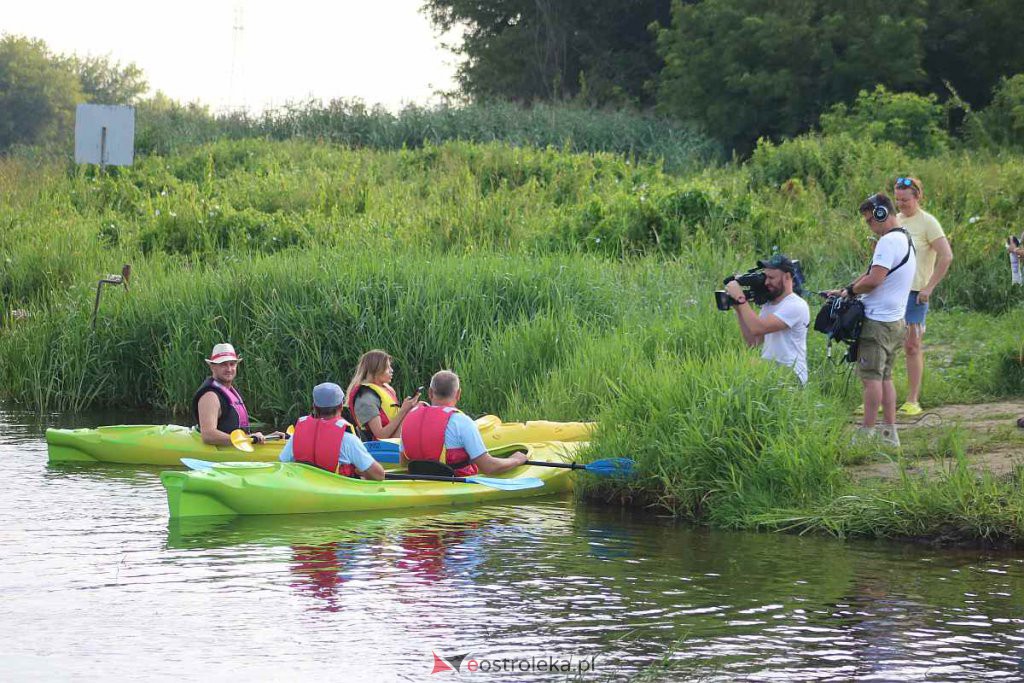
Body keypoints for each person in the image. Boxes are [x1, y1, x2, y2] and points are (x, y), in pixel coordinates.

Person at [828, 193, 916, 447]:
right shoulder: (905, 239)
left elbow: (875, 279)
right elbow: (872, 275)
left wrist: (852, 291)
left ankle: (866, 433)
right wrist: (848, 289)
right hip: (895, 323)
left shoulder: (887, 242)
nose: (869, 225)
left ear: (880, 214)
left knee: (870, 379)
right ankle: (890, 433)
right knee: (885, 377)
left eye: (869, 220)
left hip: (877, 324)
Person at [893, 176, 953, 416]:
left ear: (917, 196)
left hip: (916, 293)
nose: (901, 205)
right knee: (884, 343)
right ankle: (880, 396)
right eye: (897, 200)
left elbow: (946, 256)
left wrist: (929, 287)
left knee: (912, 345)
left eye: (905, 200)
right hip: (893, 291)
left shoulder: (928, 222)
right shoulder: (895, 220)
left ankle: (912, 399)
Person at [400, 370, 528, 476]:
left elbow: (404, 464)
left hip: (418, 483)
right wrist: (515, 460)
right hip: (452, 483)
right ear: (458, 394)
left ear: (430, 393)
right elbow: (489, 467)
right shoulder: (461, 422)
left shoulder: (409, 418)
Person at [724, 253, 810, 384]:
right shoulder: (770, 304)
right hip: (770, 367)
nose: (766, 282)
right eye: (765, 277)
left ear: (787, 277)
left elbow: (758, 328)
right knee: (735, 370)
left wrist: (741, 299)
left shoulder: (796, 305)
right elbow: (754, 342)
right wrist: (738, 308)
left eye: (771, 277)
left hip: (791, 372)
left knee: (744, 369)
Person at [280, 382, 386, 481]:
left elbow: (282, 463)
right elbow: (379, 475)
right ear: (340, 407)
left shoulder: (297, 435)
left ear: (314, 407)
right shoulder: (348, 439)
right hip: (337, 494)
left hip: (305, 490)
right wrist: (361, 472)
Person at [193, 343, 282, 446]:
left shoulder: (230, 391)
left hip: (238, 445)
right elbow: (208, 435)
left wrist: (269, 438)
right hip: (222, 451)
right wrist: (247, 439)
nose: (229, 369)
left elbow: (238, 432)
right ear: (213, 367)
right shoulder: (210, 396)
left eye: (232, 364)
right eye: (223, 364)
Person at [345, 350, 421, 441]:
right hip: (381, 447)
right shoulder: (366, 398)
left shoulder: (385, 388)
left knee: (420, 407)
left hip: (394, 440)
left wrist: (410, 408)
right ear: (375, 369)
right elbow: (380, 435)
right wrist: (404, 411)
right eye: (387, 368)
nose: (391, 370)